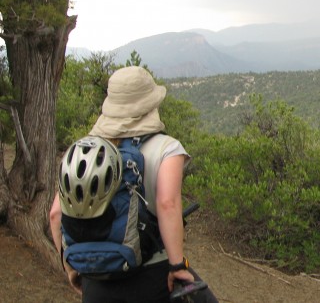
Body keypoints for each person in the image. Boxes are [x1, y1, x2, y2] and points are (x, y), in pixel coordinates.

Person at [49, 66, 217, 302]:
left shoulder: (81, 153)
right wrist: (177, 266)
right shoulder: (167, 148)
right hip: (151, 275)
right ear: (150, 105)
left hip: (97, 282)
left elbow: (56, 214)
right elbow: (167, 204)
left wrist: (72, 270)